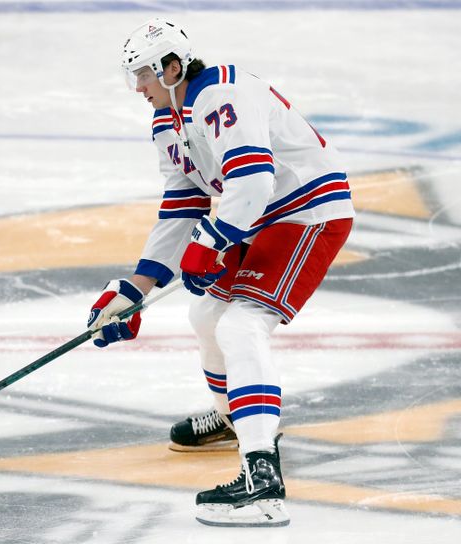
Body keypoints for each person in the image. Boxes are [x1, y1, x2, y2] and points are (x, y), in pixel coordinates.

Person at [86, 17, 354, 527]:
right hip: (262, 220)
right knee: (207, 314)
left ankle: (263, 484)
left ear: (172, 67)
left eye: (142, 74)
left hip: (307, 214)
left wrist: (210, 243)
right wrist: (133, 288)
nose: (137, 87)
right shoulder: (170, 121)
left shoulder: (219, 93)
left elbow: (253, 182)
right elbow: (182, 206)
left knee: (241, 324)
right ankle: (236, 420)